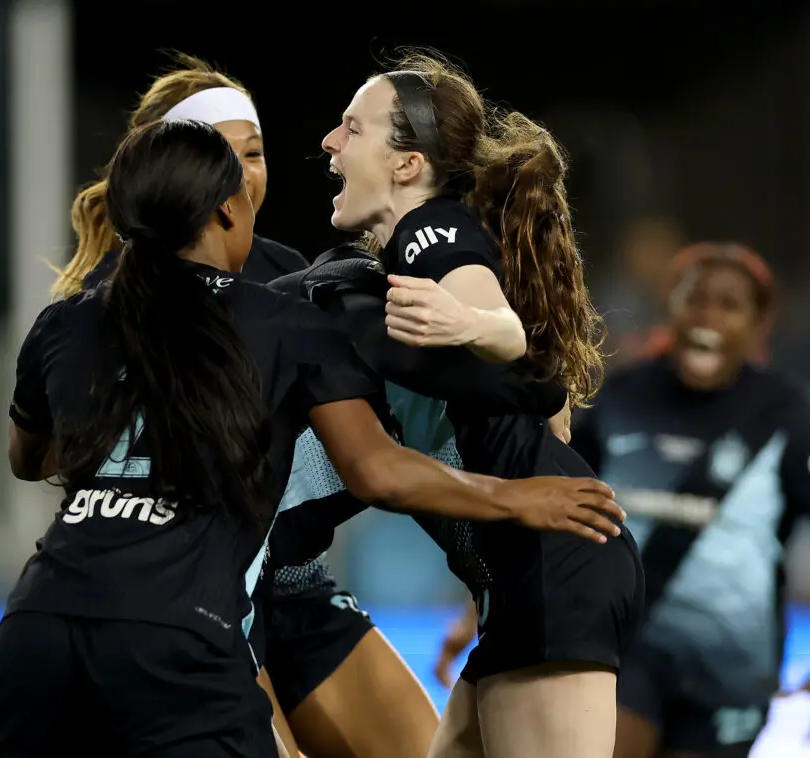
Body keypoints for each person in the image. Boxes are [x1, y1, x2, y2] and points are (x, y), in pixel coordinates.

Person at [0, 120, 628, 758]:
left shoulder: (64, 323)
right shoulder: (285, 324)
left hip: (43, 618)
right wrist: (518, 496)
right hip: (178, 632)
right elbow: (377, 471)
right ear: (227, 210)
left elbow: (28, 458)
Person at [53, 55, 440, 758]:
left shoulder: (290, 276)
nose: (242, 174)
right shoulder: (114, 303)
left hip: (294, 585)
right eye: (218, 153)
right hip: (207, 600)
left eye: (254, 153)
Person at [314, 52, 646, 758]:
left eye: (353, 128)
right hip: (523, 576)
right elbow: (533, 391)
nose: (331, 142)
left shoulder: (428, 231)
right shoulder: (417, 249)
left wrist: (473, 324)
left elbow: (499, 325)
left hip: (554, 565)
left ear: (408, 165)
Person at [561, 243, 810, 758]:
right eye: (696, 299)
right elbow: (556, 505)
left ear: (759, 323)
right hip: (626, 646)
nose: (708, 316)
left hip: (732, 668)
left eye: (729, 305)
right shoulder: (620, 396)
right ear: (670, 307)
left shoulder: (785, 415)